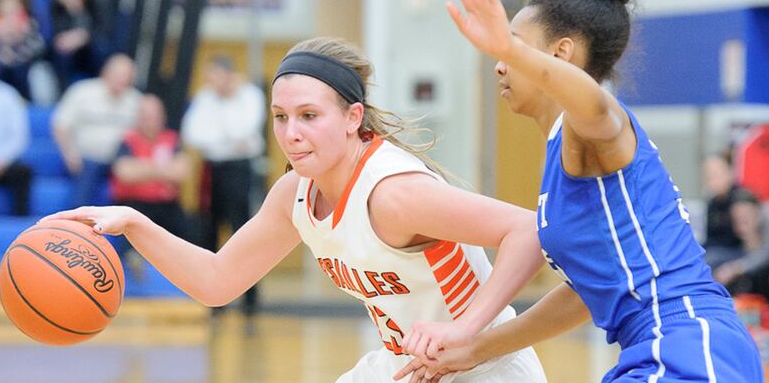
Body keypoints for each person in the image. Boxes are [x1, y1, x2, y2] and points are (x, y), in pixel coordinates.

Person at [44, 37, 547, 382]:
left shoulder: (393, 193)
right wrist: (136, 224)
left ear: (353, 118)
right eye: (281, 117)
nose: (291, 134)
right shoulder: (295, 194)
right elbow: (218, 281)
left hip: (484, 367)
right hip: (406, 366)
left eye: (309, 116)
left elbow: (527, 231)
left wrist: (464, 330)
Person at [396, 0, 763, 383]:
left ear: (561, 53)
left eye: (514, 46)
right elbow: (586, 295)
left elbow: (593, 104)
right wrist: (474, 349)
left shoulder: (593, 125)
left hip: (685, 341)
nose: (499, 63)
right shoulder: (563, 154)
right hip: (664, 347)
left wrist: (507, 44)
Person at [180, 55, 266, 314]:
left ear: (228, 74)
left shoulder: (250, 95)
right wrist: (225, 138)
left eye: (215, 75)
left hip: (240, 168)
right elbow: (193, 134)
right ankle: (214, 299)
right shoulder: (206, 98)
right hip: (212, 169)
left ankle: (250, 299)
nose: (211, 82)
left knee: (243, 229)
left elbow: (245, 129)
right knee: (210, 227)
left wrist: (220, 135)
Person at [52, 53, 142, 207]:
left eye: (127, 76)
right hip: (84, 159)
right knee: (87, 178)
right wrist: (69, 154)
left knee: (136, 177)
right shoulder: (82, 91)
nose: (123, 79)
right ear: (106, 72)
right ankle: (74, 224)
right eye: (119, 74)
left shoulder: (136, 100)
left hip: (120, 162)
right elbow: (61, 126)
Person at [111, 94, 196, 252]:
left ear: (162, 117)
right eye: (145, 116)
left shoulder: (172, 138)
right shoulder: (128, 139)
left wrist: (143, 167)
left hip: (166, 205)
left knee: (192, 233)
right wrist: (164, 169)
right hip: (134, 204)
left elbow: (183, 171)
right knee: (128, 240)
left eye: (153, 116)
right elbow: (125, 173)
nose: (149, 121)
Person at [0, 49, 32, 215]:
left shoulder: (8, 96)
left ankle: (22, 229)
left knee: (23, 172)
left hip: (1, 162)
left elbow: (18, 137)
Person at [714, 189, 769, 298]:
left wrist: (736, 268)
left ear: (758, 214)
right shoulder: (731, 245)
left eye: (746, 219)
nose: (741, 226)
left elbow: (766, 254)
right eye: (737, 220)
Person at [702, 152, 747, 269]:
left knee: (708, 260)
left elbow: (739, 238)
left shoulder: (740, 199)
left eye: (717, 174)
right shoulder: (713, 203)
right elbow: (709, 236)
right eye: (709, 176)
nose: (713, 180)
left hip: (740, 251)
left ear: (730, 172)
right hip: (716, 251)